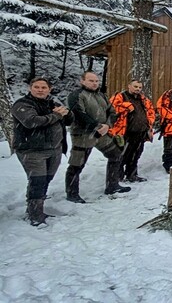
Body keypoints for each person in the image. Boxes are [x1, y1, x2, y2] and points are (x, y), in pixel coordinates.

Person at [11, 77, 73, 225]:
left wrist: (67, 113)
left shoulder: (52, 103)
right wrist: (57, 115)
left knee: (46, 179)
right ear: (30, 88)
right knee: (37, 181)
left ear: (49, 89)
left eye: (44, 87)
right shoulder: (22, 104)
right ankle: (35, 215)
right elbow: (31, 121)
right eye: (36, 87)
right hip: (31, 150)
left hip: (54, 149)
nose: (40, 90)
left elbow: (69, 120)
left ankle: (36, 208)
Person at [65, 71, 130, 203]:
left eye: (96, 81)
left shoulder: (101, 95)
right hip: (83, 134)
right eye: (91, 81)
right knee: (77, 164)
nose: (94, 83)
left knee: (116, 154)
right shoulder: (76, 95)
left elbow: (111, 111)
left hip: (103, 133)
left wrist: (106, 125)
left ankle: (112, 185)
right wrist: (96, 126)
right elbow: (79, 114)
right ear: (82, 81)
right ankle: (72, 193)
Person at [109, 80, 155, 182]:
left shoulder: (143, 99)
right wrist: (126, 106)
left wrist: (149, 122)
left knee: (136, 155)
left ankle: (132, 175)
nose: (138, 89)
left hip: (141, 132)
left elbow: (151, 111)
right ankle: (118, 176)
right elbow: (112, 108)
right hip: (125, 132)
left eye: (139, 87)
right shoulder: (121, 97)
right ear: (129, 86)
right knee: (122, 155)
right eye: (135, 87)